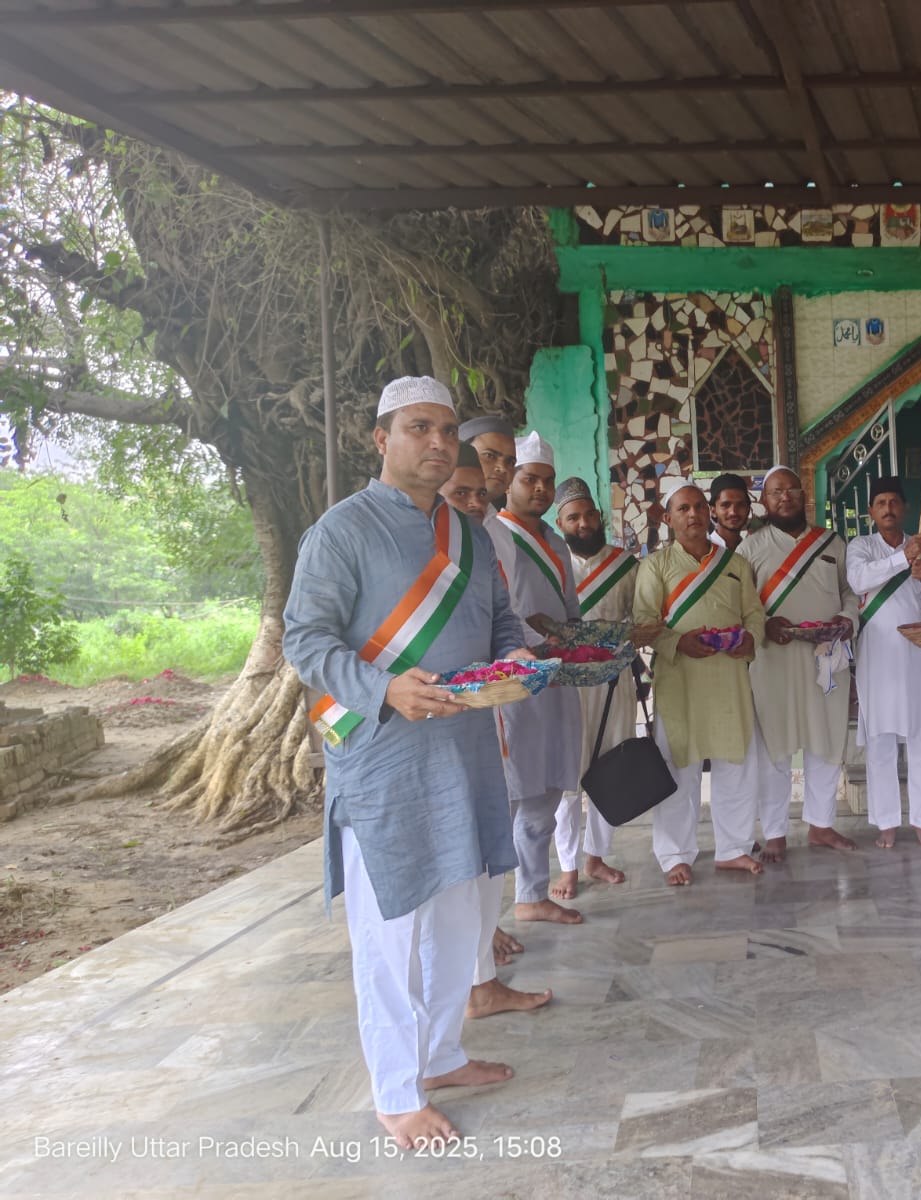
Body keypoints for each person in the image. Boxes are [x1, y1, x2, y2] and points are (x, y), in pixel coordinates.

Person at [283, 376, 531, 1147]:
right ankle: (395, 1093)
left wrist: (517, 655)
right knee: (391, 932)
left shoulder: (470, 535)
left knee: (458, 918)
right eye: (419, 427)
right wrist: (385, 688)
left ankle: (443, 1054)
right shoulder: (340, 531)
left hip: (465, 754)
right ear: (381, 438)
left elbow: (500, 620)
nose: (437, 442)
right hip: (383, 758)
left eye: (447, 430)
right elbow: (305, 640)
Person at [435, 444, 548, 1021]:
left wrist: (515, 653)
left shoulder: (479, 546)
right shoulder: (412, 549)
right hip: (428, 726)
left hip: (482, 717)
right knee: (458, 857)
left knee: (486, 847)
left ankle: (481, 977)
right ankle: (470, 983)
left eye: (482, 494)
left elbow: (502, 620)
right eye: (462, 493)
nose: (477, 503)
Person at [633, 479, 770, 882]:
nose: (693, 514)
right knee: (679, 766)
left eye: (698, 507)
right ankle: (675, 854)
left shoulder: (735, 564)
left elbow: (754, 613)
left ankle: (734, 848)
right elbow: (644, 623)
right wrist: (678, 642)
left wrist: (751, 638)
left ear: (708, 512)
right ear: (668, 518)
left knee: (737, 763)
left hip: (729, 678)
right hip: (680, 681)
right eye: (683, 509)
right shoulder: (654, 566)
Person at [484, 432, 584, 926]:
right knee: (510, 790)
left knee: (548, 786)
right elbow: (495, 613)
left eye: (547, 480)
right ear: (510, 482)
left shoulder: (557, 543)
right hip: (514, 679)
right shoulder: (491, 534)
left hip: (557, 677)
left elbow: (569, 610)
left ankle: (532, 894)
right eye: (530, 480)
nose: (541, 489)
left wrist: (579, 642)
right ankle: (485, 918)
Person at [740, 465, 859, 859]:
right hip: (773, 660)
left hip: (825, 656)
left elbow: (849, 591)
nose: (785, 497)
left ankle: (821, 826)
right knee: (774, 745)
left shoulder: (832, 542)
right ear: (764, 500)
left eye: (792, 489)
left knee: (826, 738)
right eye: (776, 492)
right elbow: (740, 604)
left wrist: (847, 619)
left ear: (803, 494)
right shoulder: (750, 548)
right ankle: (775, 832)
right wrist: (764, 623)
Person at [846, 475, 921, 848]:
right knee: (881, 739)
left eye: (894, 502)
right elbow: (858, 580)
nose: (888, 508)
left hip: (919, 652)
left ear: (904, 508)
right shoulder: (861, 546)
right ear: (871, 511)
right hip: (878, 654)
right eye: (881, 503)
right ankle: (886, 821)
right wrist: (902, 558)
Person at [548, 477, 634, 899]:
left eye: (588, 515)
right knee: (567, 776)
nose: (583, 523)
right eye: (573, 518)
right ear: (560, 523)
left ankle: (596, 857)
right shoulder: (552, 566)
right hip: (566, 686)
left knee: (611, 769)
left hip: (614, 684)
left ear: (599, 517)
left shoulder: (625, 564)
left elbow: (640, 617)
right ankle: (567, 866)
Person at [458, 415, 517, 509]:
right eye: (489, 456)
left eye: (510, 462)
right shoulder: (435, 508)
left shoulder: (493, 517)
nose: (502, 468)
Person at [708, 471, 754, 549]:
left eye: (740, 505)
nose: (733, 512)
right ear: (713, 511)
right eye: (725, 505)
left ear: (748, 509)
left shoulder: (752, 550)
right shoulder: (703, 550)